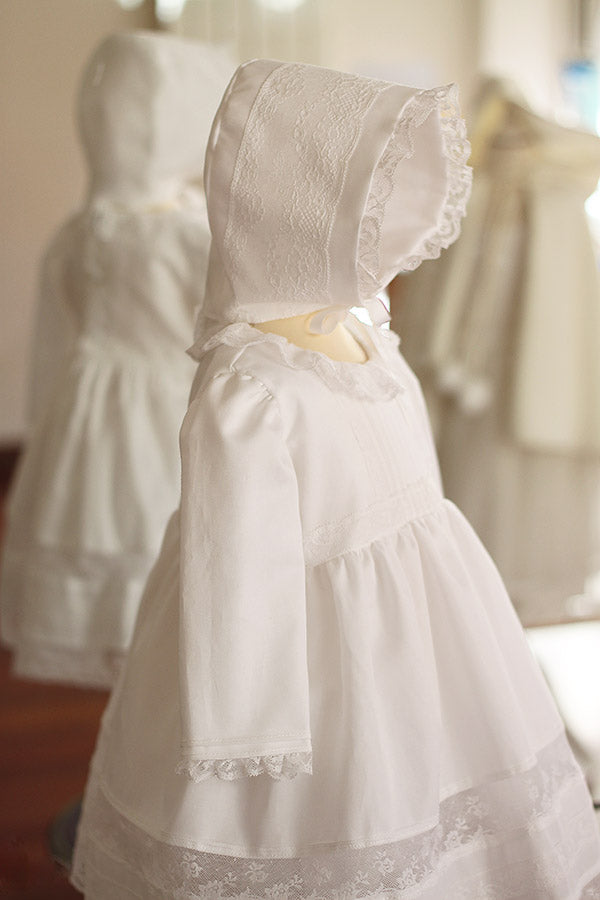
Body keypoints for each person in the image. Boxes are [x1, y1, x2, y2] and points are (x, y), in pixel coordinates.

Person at [71, 59, 600, 898]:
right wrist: (247, 735)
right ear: (301, 211)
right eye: (369, 213)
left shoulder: (368, 339)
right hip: (306, 677)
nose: (388, 241)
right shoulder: (250, 390)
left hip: (428, 637)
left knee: (443, 811)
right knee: (343, 832)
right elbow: (235, 581)